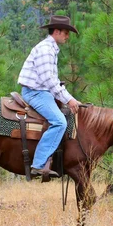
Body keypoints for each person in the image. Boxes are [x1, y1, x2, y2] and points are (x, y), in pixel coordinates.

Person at [18, 15, 81, 177]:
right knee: (59, 122)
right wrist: (69, 99)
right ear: (57, 31)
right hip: (35, 93)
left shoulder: (50, 49)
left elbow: (52, 82)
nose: (67, 37)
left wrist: (66, 96)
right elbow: (49, 80)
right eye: (66, 33)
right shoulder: (46, 50)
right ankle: (38, 164)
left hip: (41, 91)